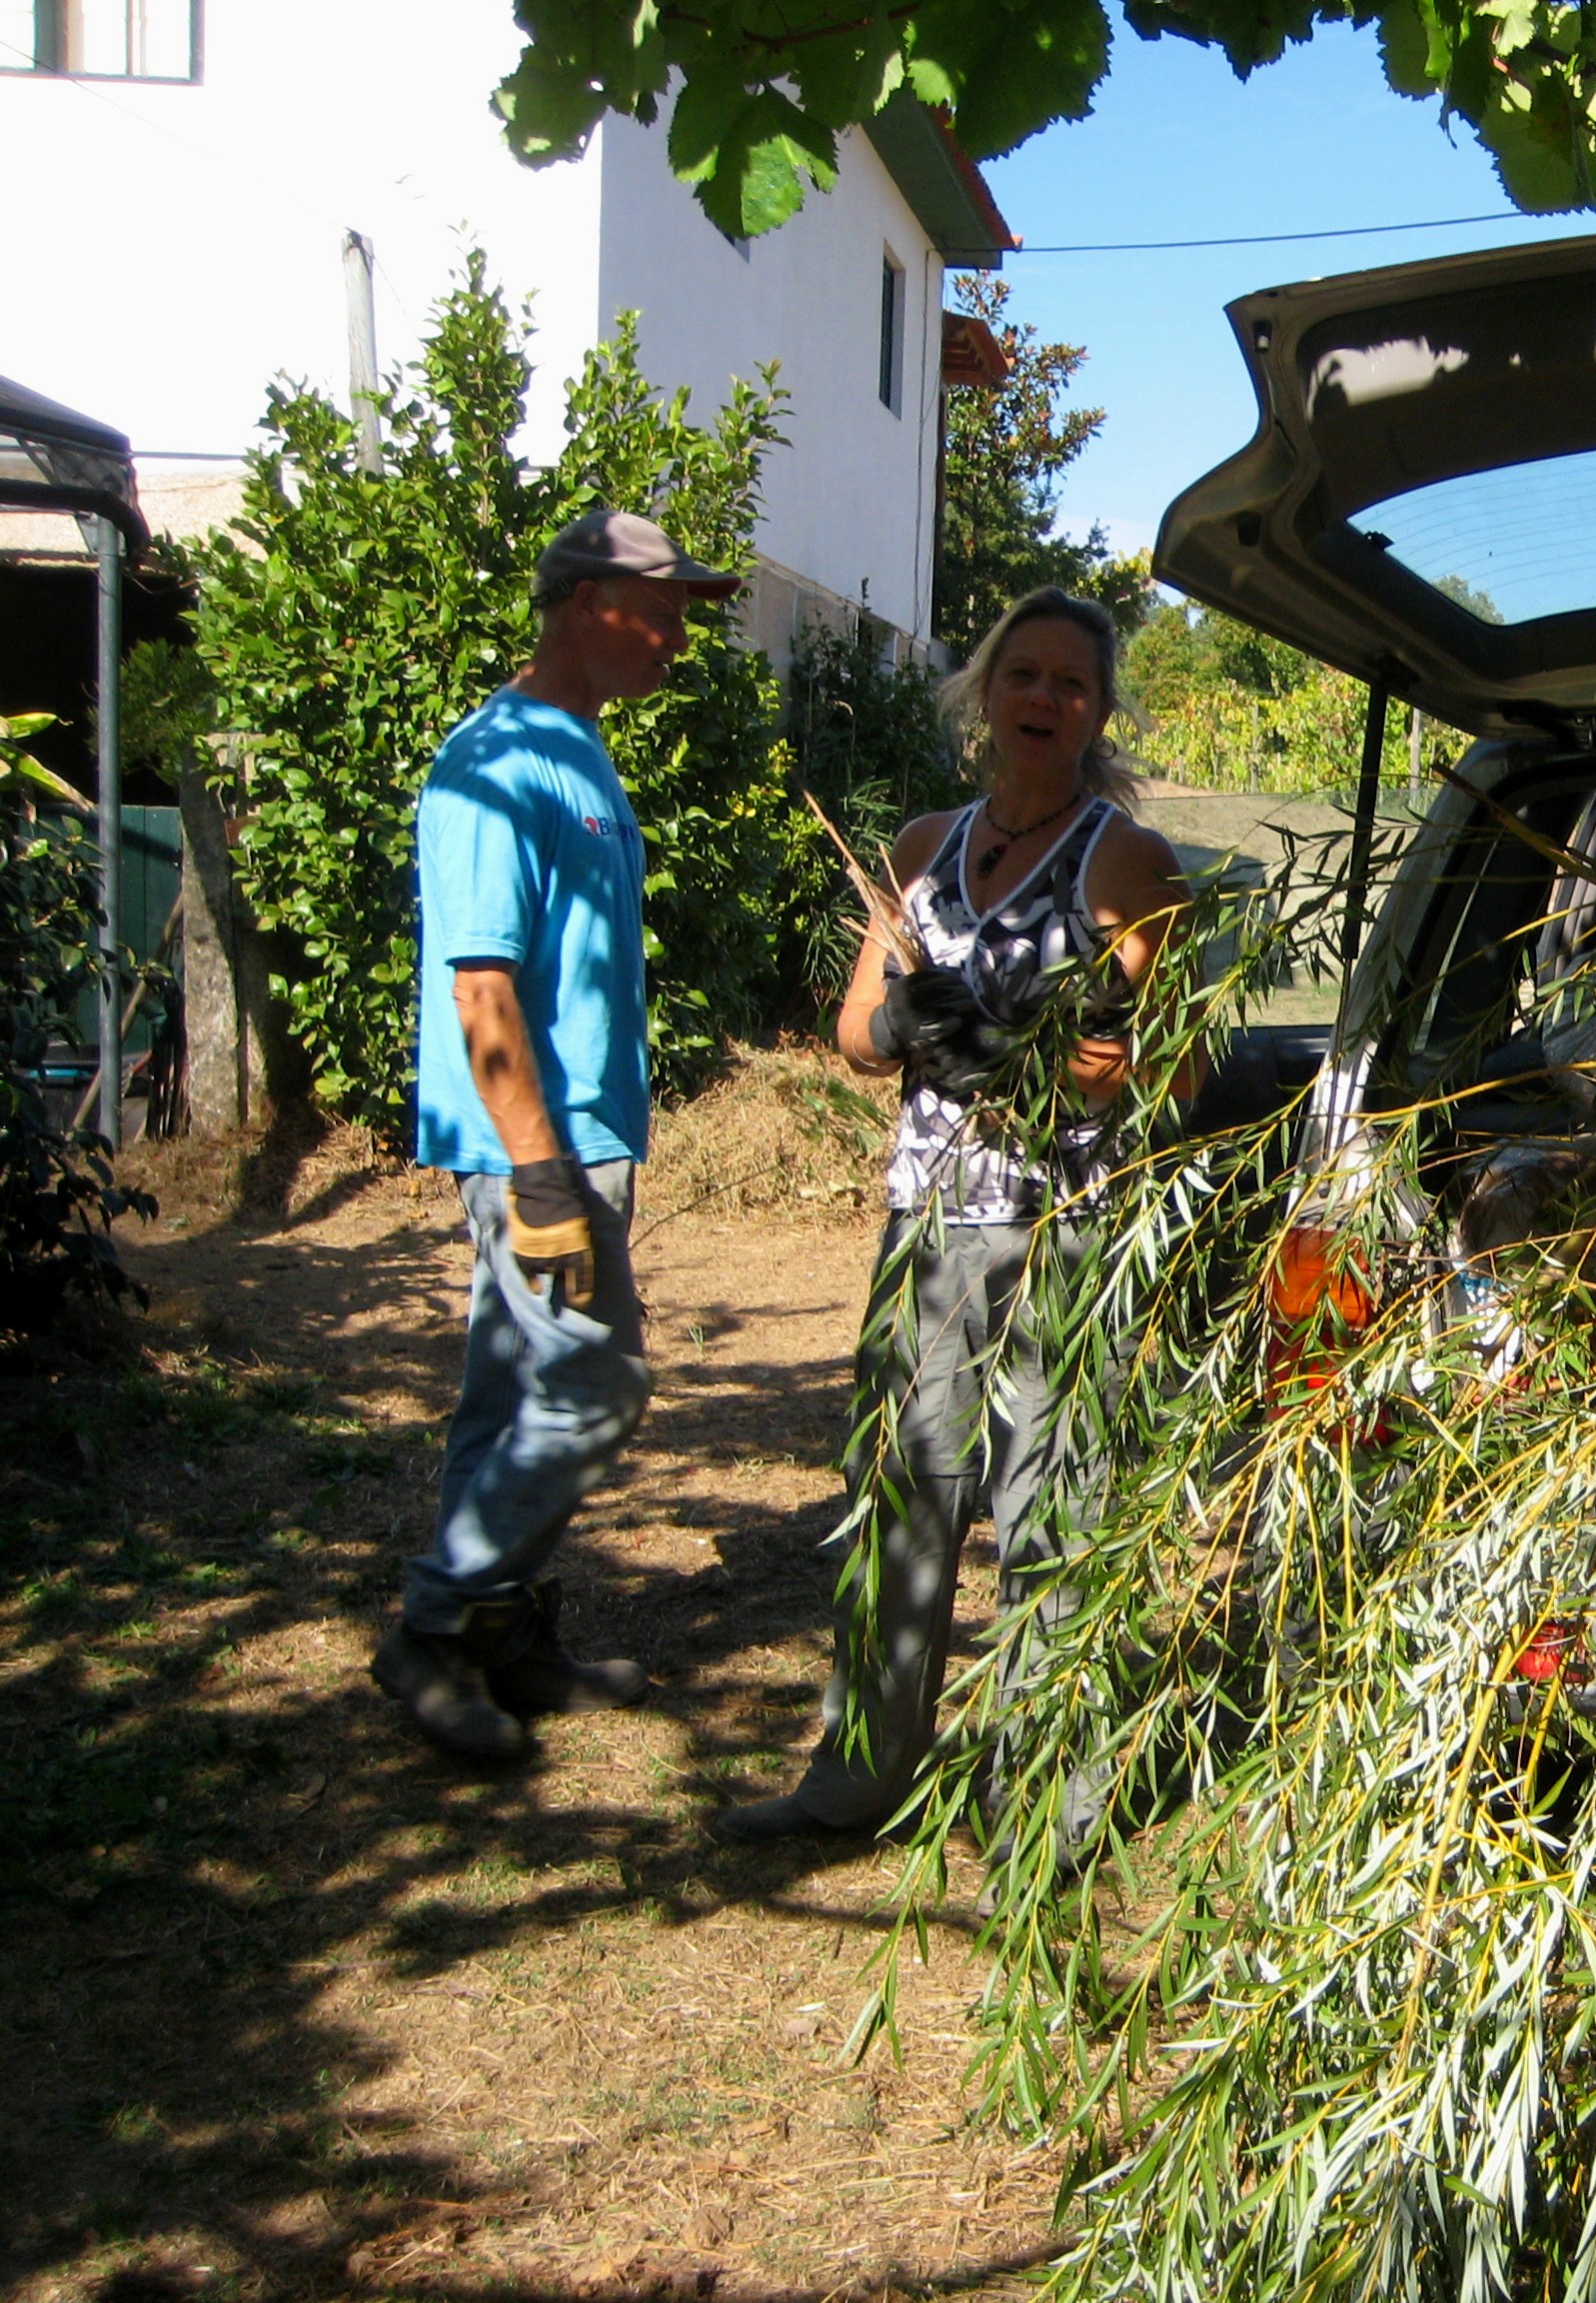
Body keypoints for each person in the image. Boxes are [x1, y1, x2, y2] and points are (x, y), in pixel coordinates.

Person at [717, 587, 1190, 1845]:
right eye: (1022, 674)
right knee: (902, 1495)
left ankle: (1047, 1804)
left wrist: (1036, 1054)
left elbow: (1179, 1065)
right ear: (984, 691)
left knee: (1052, 1510)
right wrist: (897, 1023)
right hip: (927, 1227)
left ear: (1099, 712)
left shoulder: (1128, 865)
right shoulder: (923, 846)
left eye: (1071, 684)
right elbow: (852, 1031)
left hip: (1064, 1233)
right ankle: (860, 1774)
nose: (1044, 699)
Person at [371, 508, 740, 1761]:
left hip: (578, 1135)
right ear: (589, 601)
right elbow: (481, 986)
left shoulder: (578, 748)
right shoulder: (494, 760)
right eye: (665, 610)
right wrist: (538, 1171)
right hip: (537, 1148)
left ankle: (505, 1637)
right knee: (594, 1383)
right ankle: (434, 1628)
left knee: (508, 1390)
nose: (679, 636)